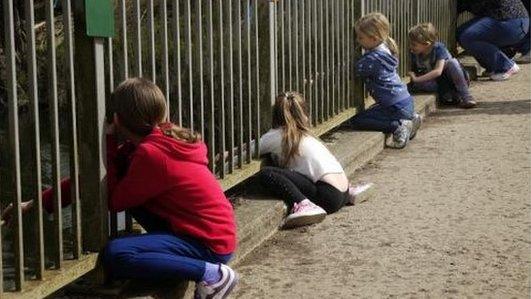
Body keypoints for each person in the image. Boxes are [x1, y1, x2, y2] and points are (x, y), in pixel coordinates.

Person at [2, 78, 239, 299]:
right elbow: (93, 183)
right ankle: (190, 270)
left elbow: (115, 201)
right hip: (209, 234)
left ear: (116, 119)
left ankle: (211, 274)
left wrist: (108, 144)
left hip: (208, 244)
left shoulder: (151, 154)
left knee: (117, 254)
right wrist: (34, 204)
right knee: (124, 236)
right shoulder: (157, 141)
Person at [257, 92, 373, 229]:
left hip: (328, 197)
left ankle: (303, 204)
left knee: (267, 173)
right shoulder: (308, 136)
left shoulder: (277, 135)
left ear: (275, 115)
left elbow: (248, 152)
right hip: (344, 190)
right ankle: (351, 192)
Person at [349, 12, 421, 149]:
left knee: (358, 120)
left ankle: (398, 126)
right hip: (404, 101)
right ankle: (410, 118)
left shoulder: (374, 58)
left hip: (395, 107)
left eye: (360, 37)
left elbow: (358, 69)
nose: (357, 41)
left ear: (374, 38)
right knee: (373, 112)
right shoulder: (386, 50)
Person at [407, 23, 477, 108]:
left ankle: (466, 96)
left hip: (453, 79)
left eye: (414, 45)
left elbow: (438, 71)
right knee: (417, 86)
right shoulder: (415, 53)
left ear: (427, 44)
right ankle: (449, 95)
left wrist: (416, 79)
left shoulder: (439, 48)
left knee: (452, 63)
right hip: (437, 83)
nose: (411, 47)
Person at [456, 0, 529, 81]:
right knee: (461, 32)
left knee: (467, 36)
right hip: (516, 21)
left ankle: (505, 66)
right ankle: (492, 66)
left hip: (509, 22)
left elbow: (476, 6)